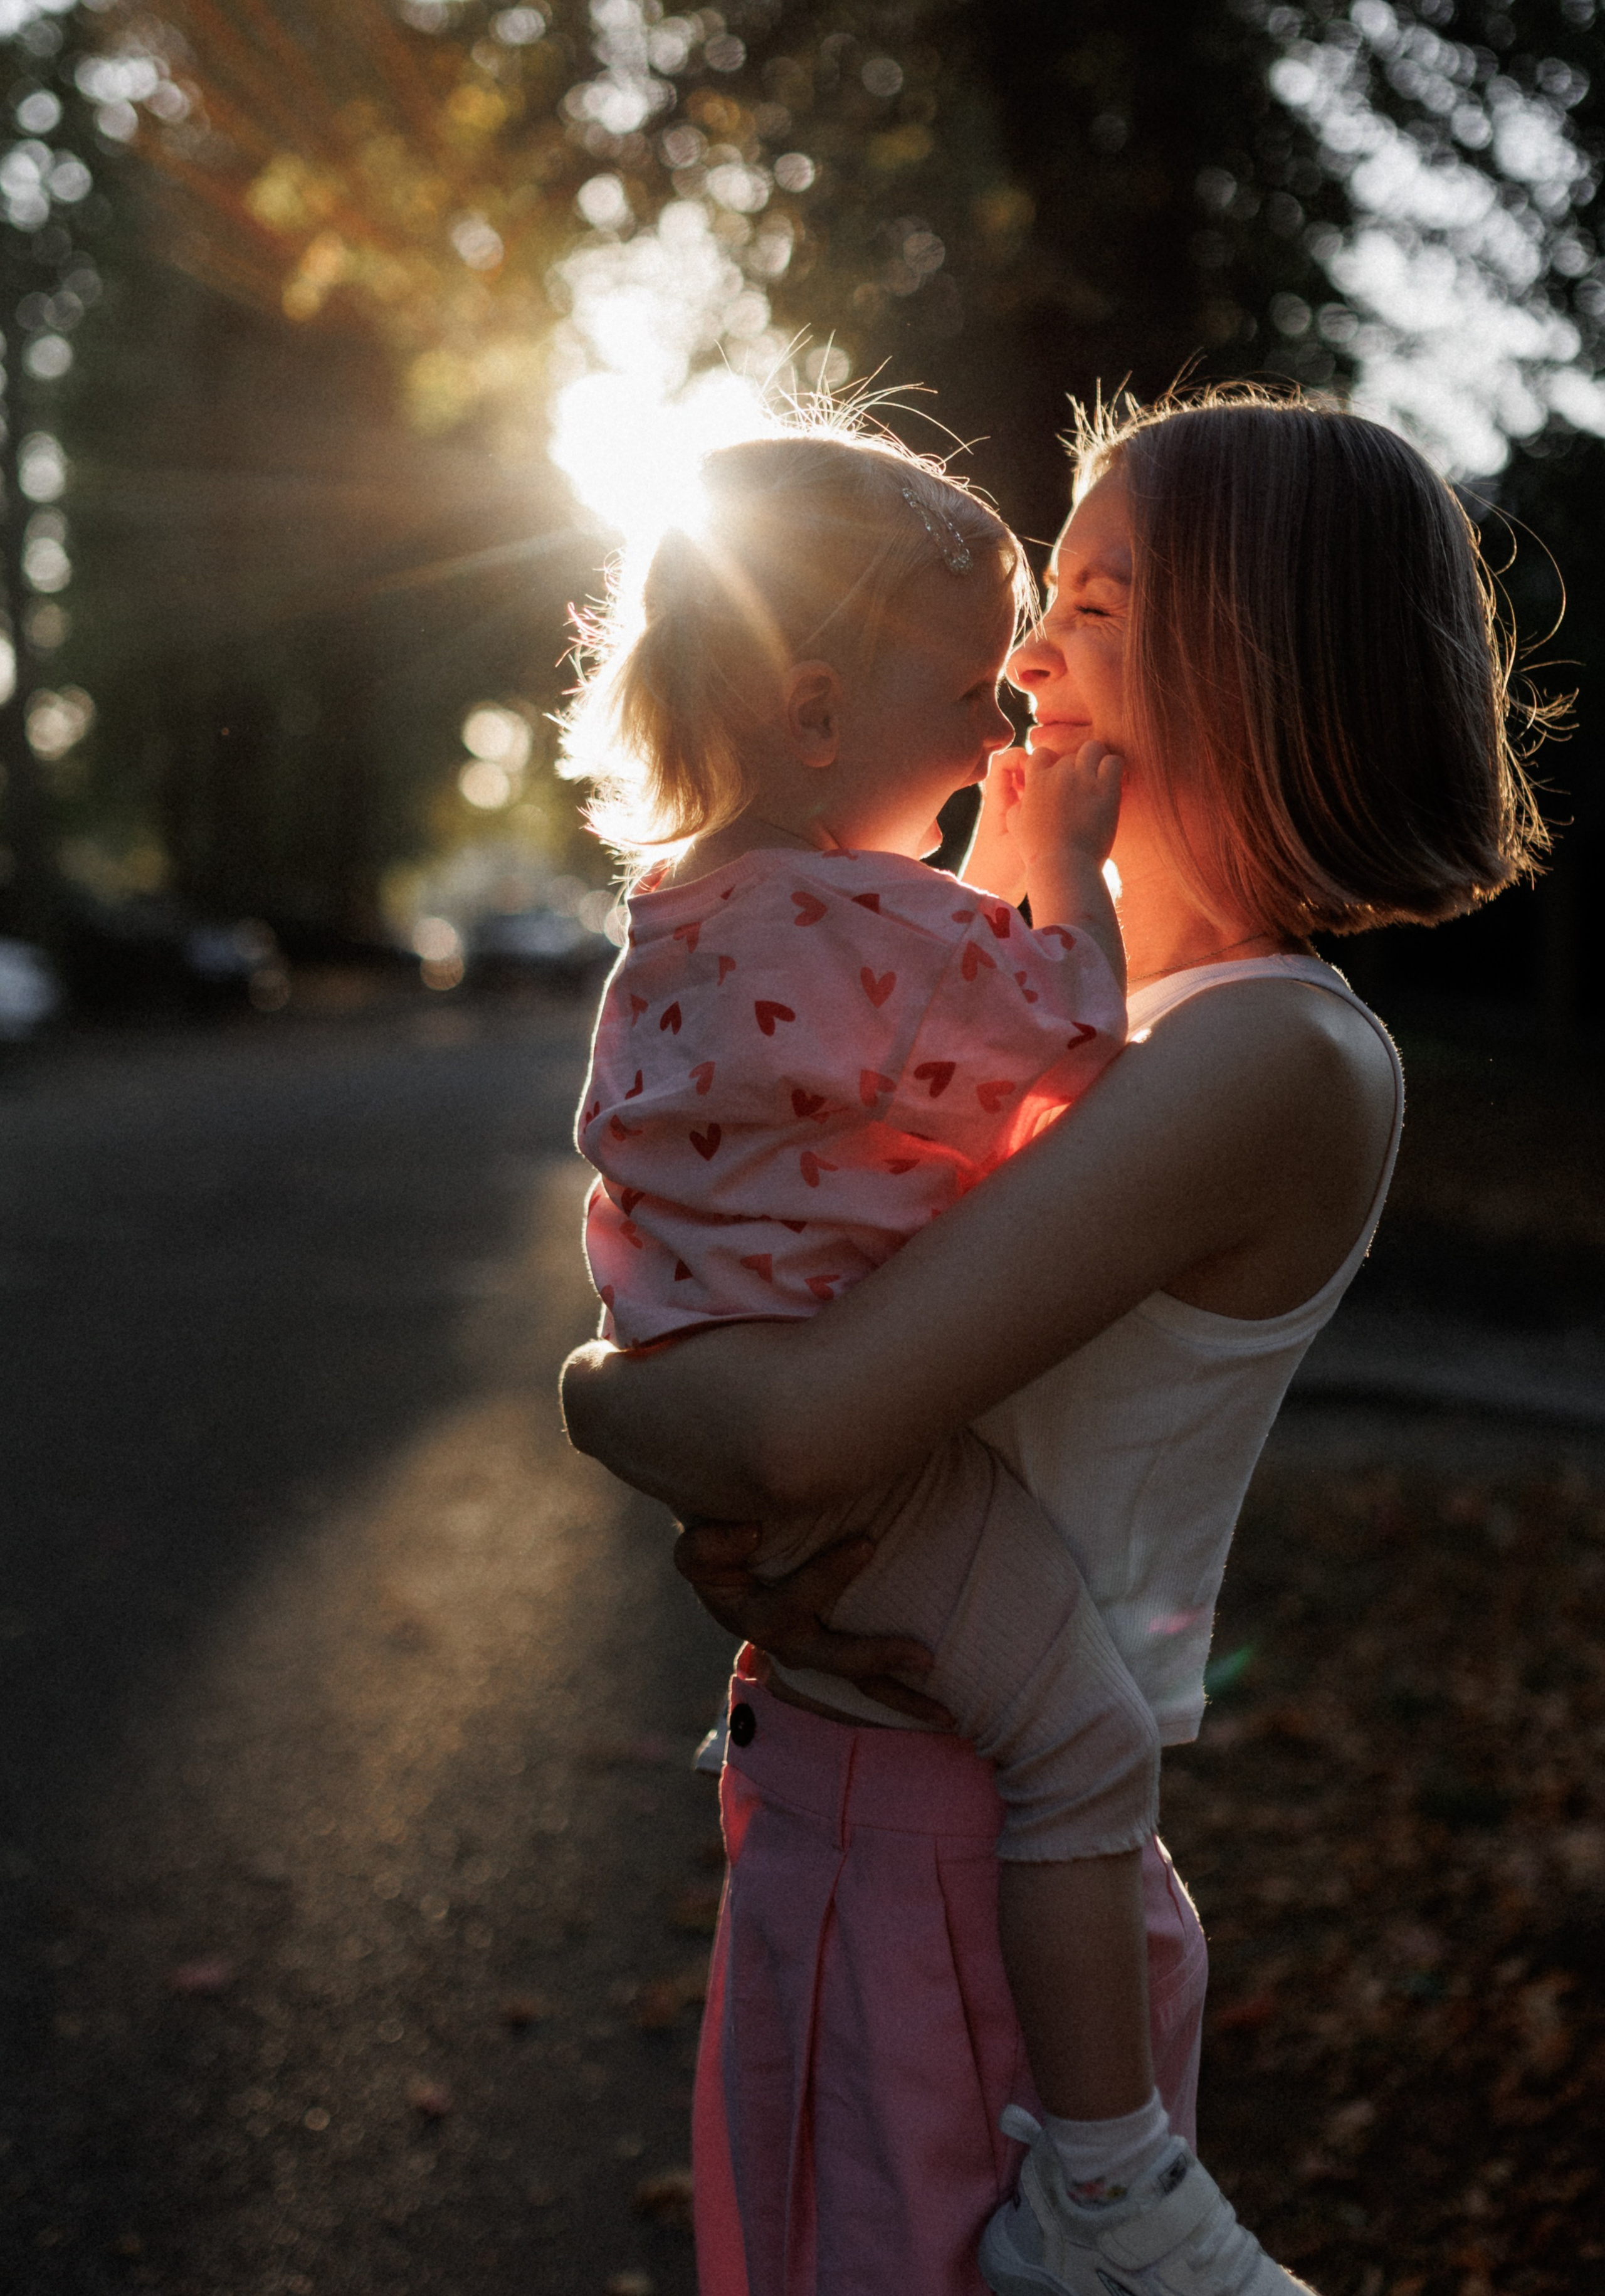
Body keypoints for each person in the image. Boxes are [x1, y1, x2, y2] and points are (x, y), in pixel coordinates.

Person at [561, 389, 1549, 2296]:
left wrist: (604, 1396)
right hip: (882, 1830)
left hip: (956, 1870)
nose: (1019, 662)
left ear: (1255, 660)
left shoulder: (1263, 1053)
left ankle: (1117, 2189)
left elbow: (791, 1437)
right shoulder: (1098, 1007)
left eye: (1091, 605)